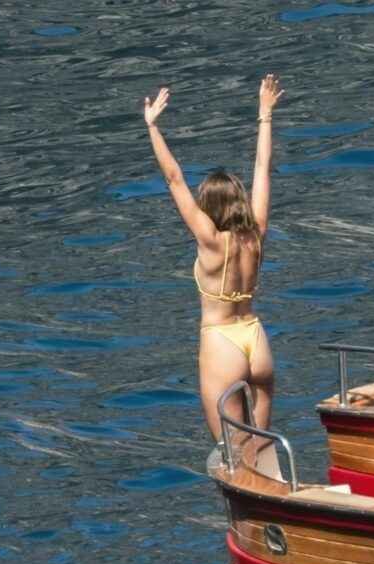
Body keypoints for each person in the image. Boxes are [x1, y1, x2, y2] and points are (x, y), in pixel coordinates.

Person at [144, 75, 283, 441]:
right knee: (263, 447)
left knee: (234, 456)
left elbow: (175, 179)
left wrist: (153, 127)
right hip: (257, 338)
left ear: (209, 207)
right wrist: (265, 114)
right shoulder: (257, 234)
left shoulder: (209, 240)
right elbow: (262, 169)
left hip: (223, 342)